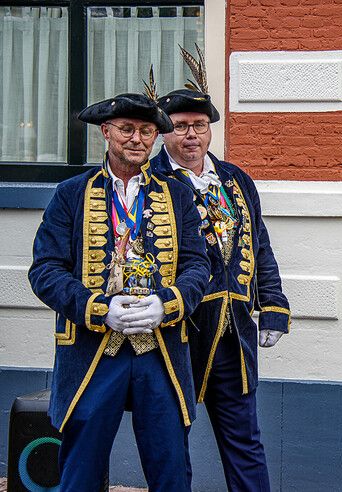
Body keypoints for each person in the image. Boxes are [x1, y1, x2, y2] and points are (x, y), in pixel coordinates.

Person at [28, 86, 210, 491]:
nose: (137, 139)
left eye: (146, 132)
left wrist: (167, 305)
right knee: (81, 472)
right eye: (127, 129)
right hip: (92, 352)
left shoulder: (177, 194)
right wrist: (98, 309)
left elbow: (199, 265)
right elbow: (45, 271)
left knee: (171, 469)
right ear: (106, 133)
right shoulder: (71, 194)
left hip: (159, 351)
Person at [151, 46, 290, 492]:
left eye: (199, 126)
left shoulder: (235, 179)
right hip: (178, 328)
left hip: (233, 333)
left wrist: (273, 305)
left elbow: (259, 245)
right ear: (163, 134)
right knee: (173, 437)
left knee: (244, 439)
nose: (190, 135)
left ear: (209, 131)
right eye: (179, 127)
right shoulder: (152, 180)